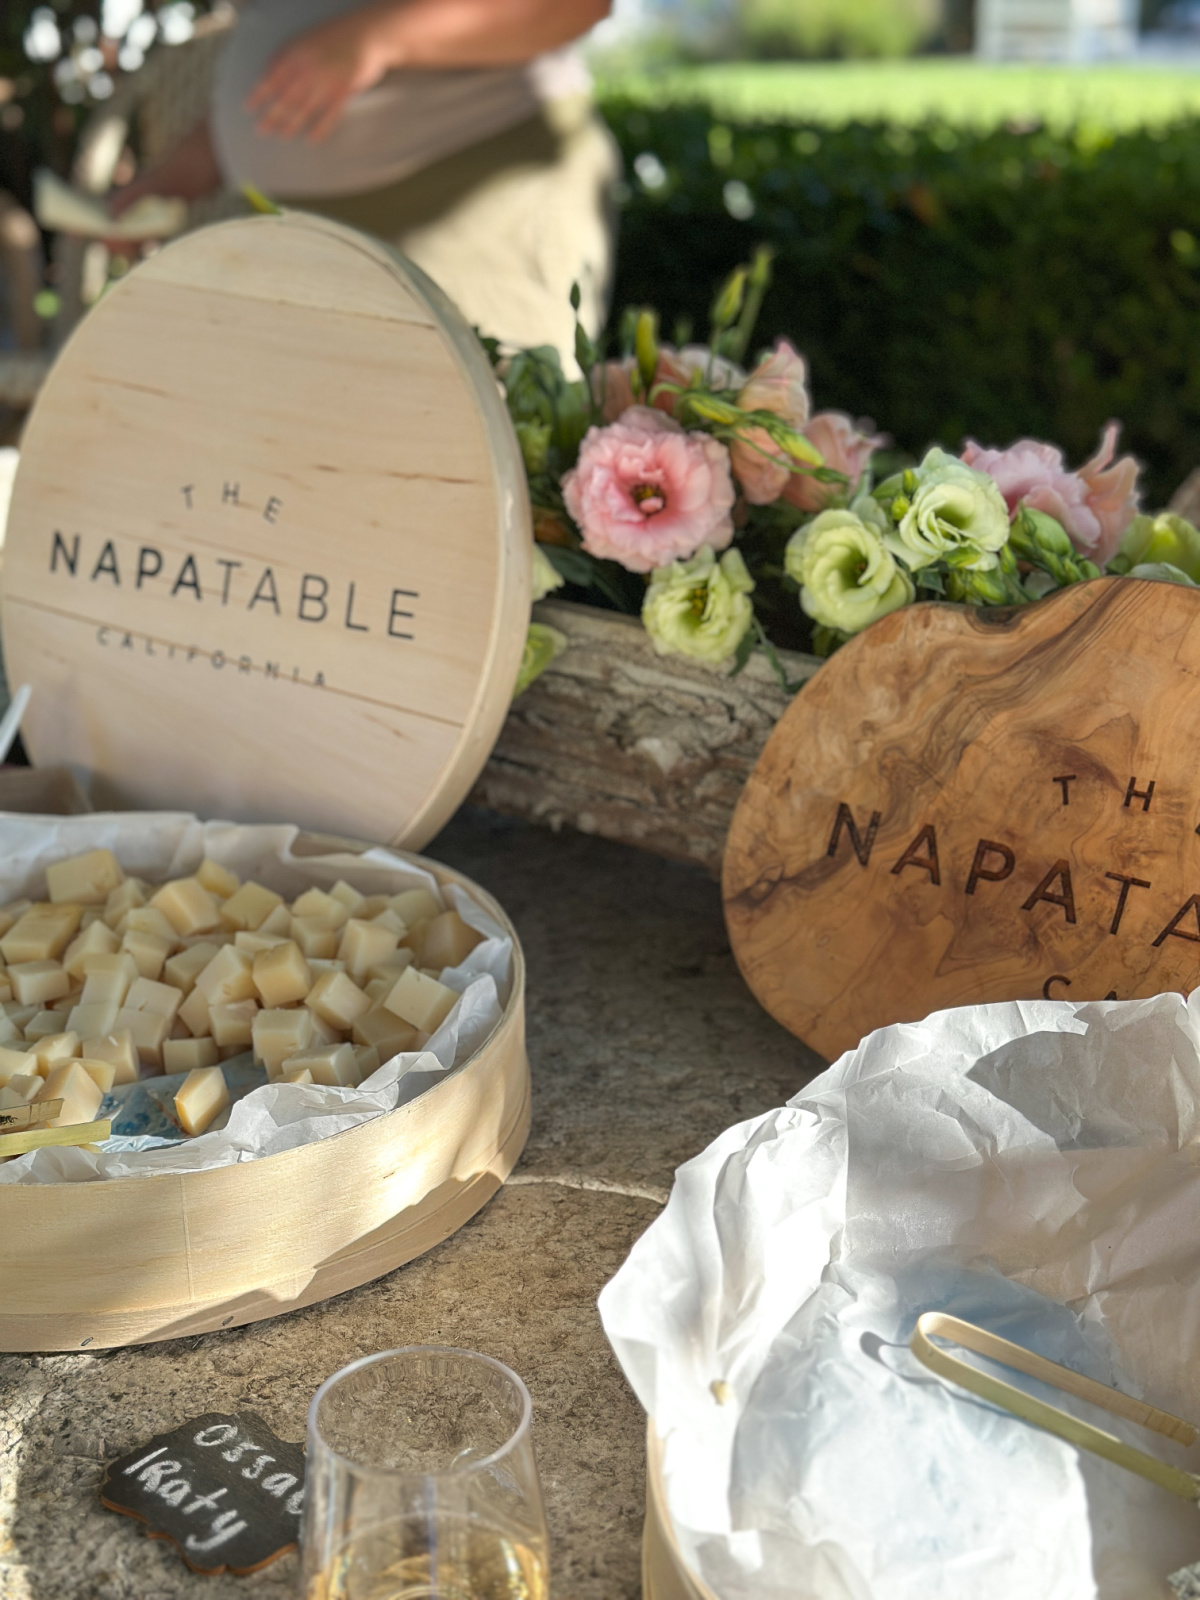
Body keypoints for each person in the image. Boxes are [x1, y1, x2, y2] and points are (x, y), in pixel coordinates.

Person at [111, 0, 618, 363]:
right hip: (302, 237)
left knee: (487, 475)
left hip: (474, 207)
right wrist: (175, 178)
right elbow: (281, 46)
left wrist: (378, 37)